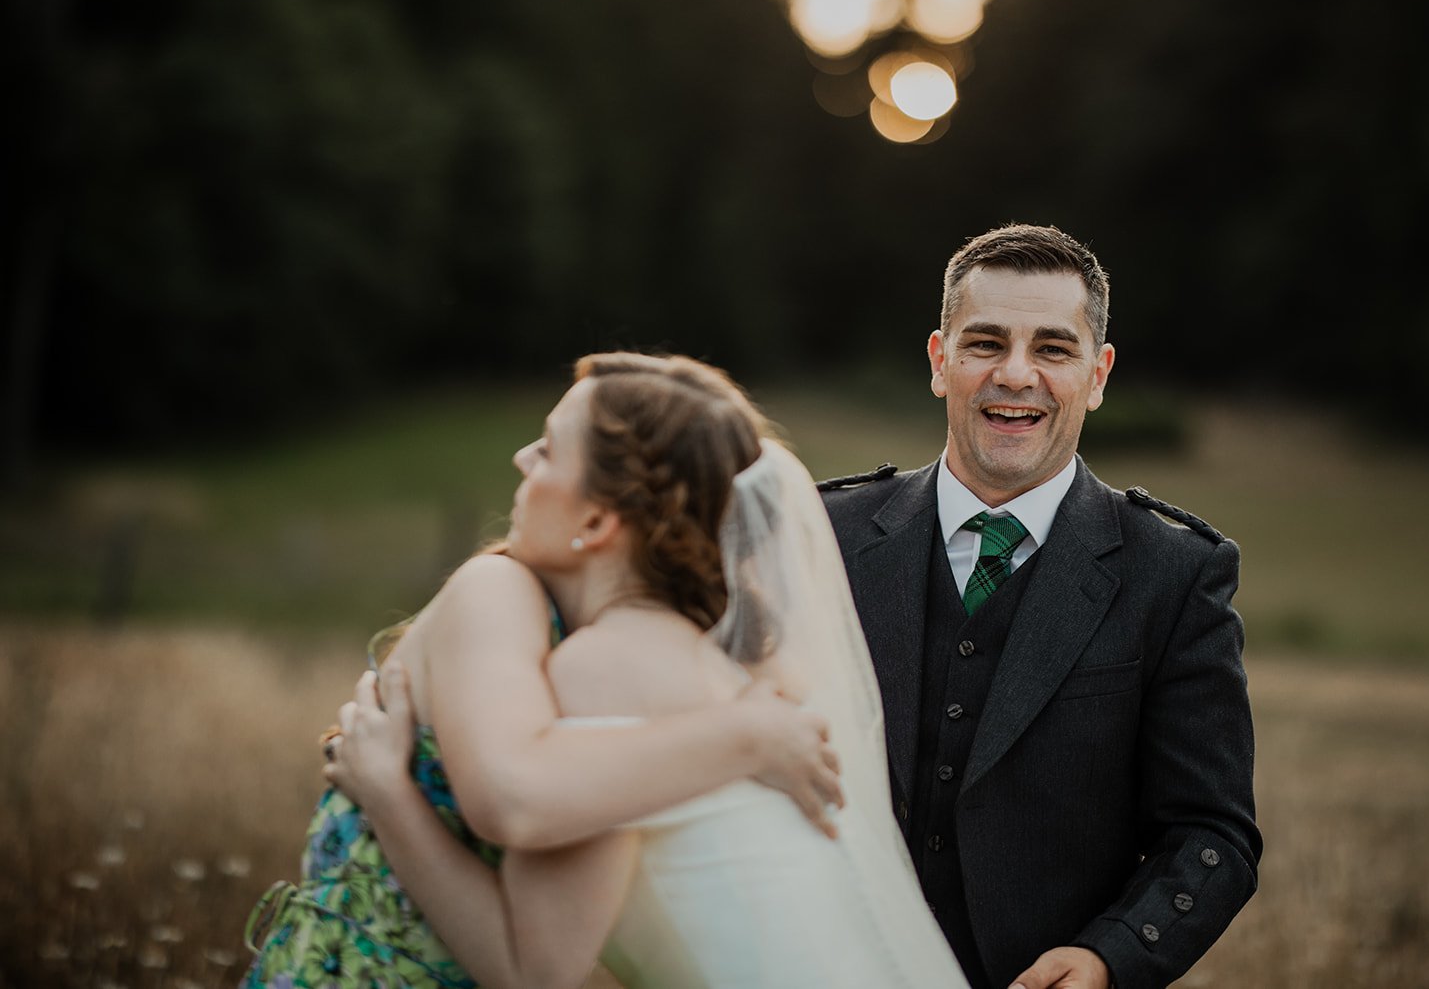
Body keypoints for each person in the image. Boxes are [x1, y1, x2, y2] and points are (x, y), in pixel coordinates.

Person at [322, 352, 970, 987]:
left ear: (600, 519)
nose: (522, 458)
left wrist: (387, 790)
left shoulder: (604, 666)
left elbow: (532, 963)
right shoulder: (714, 664)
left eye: (547, 449)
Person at [819, 224, 1262, 989]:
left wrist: (1109, 956)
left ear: (1098, 373)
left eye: (1054, 349)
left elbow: (1211, 832)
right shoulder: (826, 533)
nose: (1016, 374)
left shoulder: (1176, 571)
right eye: (985, 342)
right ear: (940, 360)